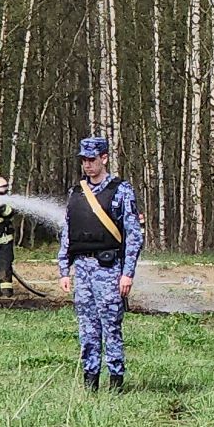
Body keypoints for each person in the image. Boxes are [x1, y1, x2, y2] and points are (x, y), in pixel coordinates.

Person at [58, 137, 144, 393]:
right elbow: (68, 233)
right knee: (87, 330)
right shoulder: (76, 193)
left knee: (111, 328)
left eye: (92, 160)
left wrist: (127, 274)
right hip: (82, 271)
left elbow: (133, 236)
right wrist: (64, 269)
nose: (87, 165)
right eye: (83, 160)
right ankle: (90, 382)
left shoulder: (121, 191)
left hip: (109, 270)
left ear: (104, 158)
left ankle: (116, 383)